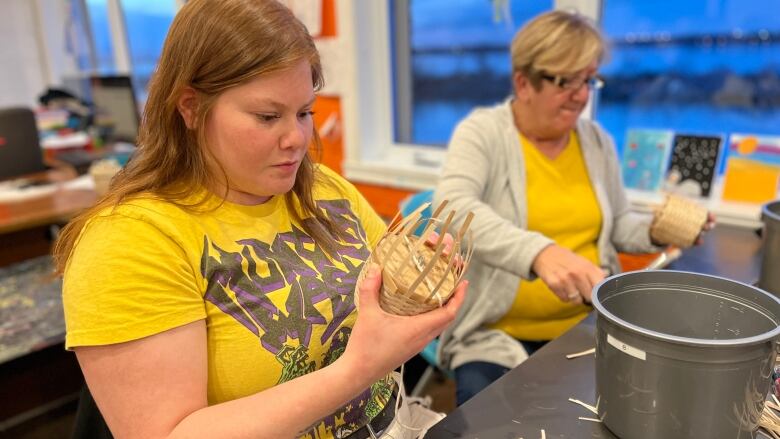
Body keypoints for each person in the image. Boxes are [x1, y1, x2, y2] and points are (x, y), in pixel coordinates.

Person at [54, 1, 466, 438]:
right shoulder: (128, 244)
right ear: (190, 108)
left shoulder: (323, 188)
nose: (297, 139)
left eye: (305, 112)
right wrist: (359, 368)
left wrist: (416, 285)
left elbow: (380, 301)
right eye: (268, 117)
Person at [433, 10, 712, 406]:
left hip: (588, 326)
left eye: (588, 80)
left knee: (639, 409)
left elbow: (617, 225)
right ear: (523, 82)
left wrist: (658, 230)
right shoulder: (483, 133)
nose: (582, 95)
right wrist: (539, 252)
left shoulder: (596, 140)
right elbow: (452, 208)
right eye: (566, 81)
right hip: (495, 336)